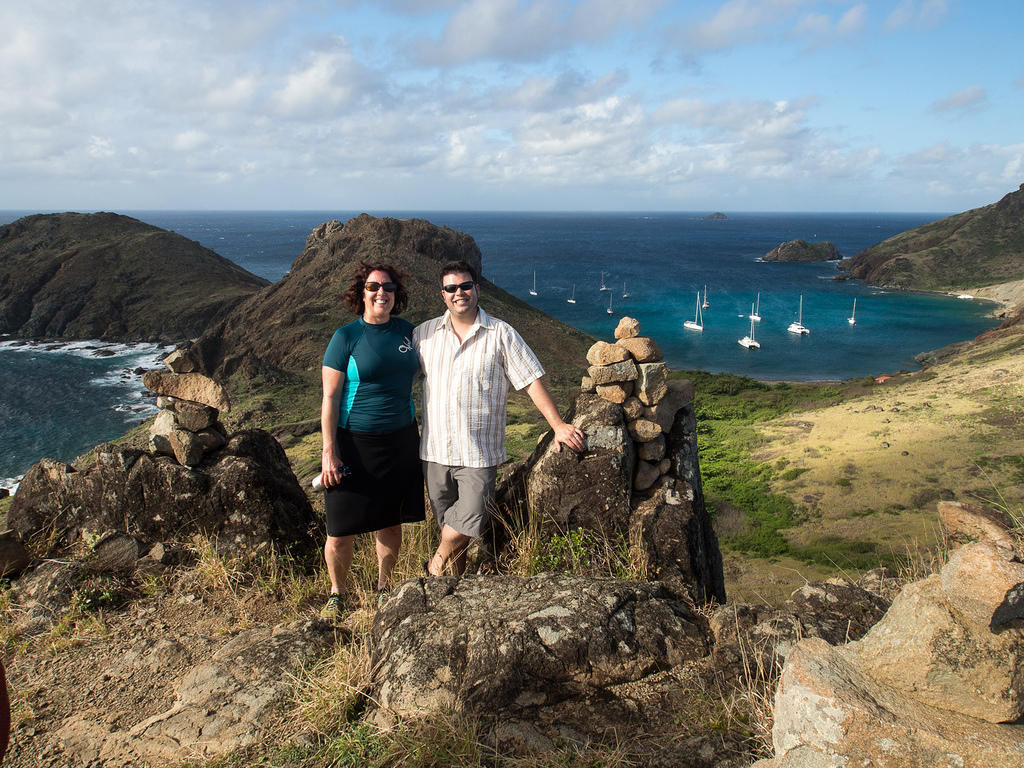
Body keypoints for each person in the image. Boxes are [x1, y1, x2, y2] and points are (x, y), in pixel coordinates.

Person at [414, 260, 585, 576]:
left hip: (477, 454)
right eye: (451, 288)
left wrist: (558, 425)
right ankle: (456, 585)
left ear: (477, 289)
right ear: (443, 294)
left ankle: (434, 568)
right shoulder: (423, 334)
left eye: (465, 286)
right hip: (435, 452)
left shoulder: (501, 334)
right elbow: (395, 376)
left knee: (469, 517)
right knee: (451, 528)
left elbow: (531, 380)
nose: (459, 293)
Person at [319, 261, 424, 619]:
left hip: (400, 440)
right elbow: (330, 398)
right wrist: (328, 452)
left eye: (389, 287)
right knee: (339, 530)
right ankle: (337, 594)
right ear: (361, 292)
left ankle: (383, 588)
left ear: (398, 294)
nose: (382, 292)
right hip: (353, 444)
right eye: (373, 286)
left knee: (390, 521)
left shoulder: (410, 334)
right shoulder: (345, 337)